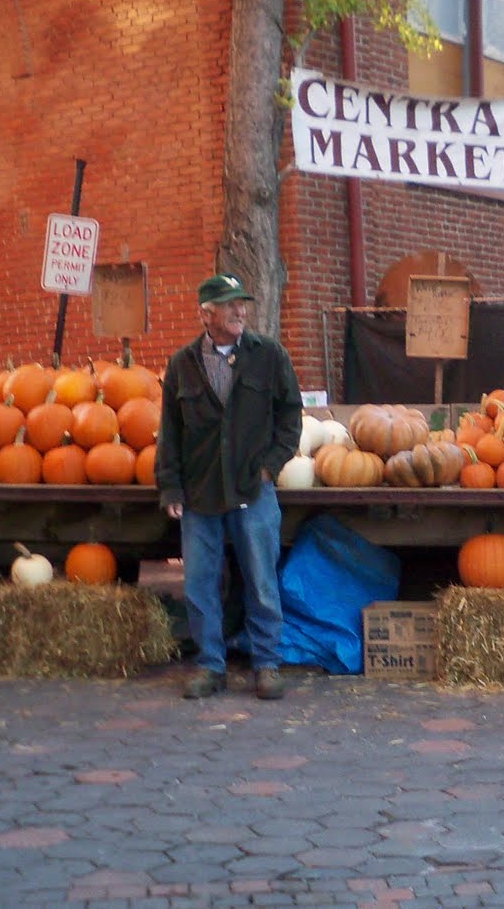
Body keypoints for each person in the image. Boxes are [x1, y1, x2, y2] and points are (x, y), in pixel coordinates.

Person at [156, 274, 302, 700]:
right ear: (207, 314)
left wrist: (270, 466)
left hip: (251, 490)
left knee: (261, 580)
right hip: (200, 493)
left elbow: (290, 415)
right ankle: (210, 666)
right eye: (230, 304)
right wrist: (170, 488)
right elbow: (170, 433)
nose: (240, 311)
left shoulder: (268, 355)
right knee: (200, 584)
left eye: (243, 304)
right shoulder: (182, 364)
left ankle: (267, 665)